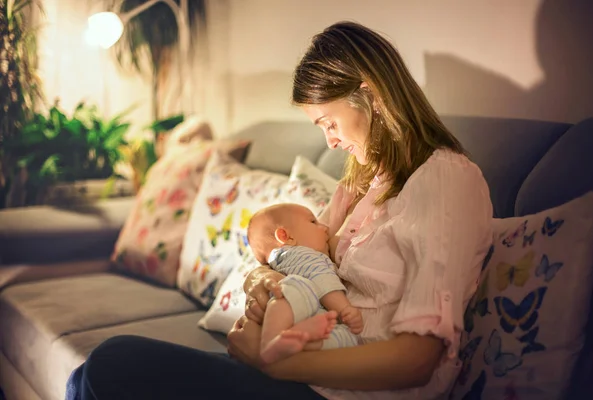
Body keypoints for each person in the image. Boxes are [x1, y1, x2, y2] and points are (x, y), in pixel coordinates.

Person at [65, 21, 492, 400]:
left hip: (340, 388)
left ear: (370, 93)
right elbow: (298, 256)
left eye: (328, 122)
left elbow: (418, 359)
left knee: (111, 362)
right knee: (87, 375)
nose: (330, 141)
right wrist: (262, 278)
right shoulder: (360, 184)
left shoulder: (445, 179)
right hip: (301, 370)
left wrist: (273, 363)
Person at [246, 203, 362, 364]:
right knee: (297, 286)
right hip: (293, 310)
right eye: (313, 222)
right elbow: (322, 279)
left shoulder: (278, 264)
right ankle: (272, 342)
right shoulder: (302, 254)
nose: (325, 228)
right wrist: (344, 308)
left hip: (298, 319)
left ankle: (301, 341)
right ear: (286, 237)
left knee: (347, 338)